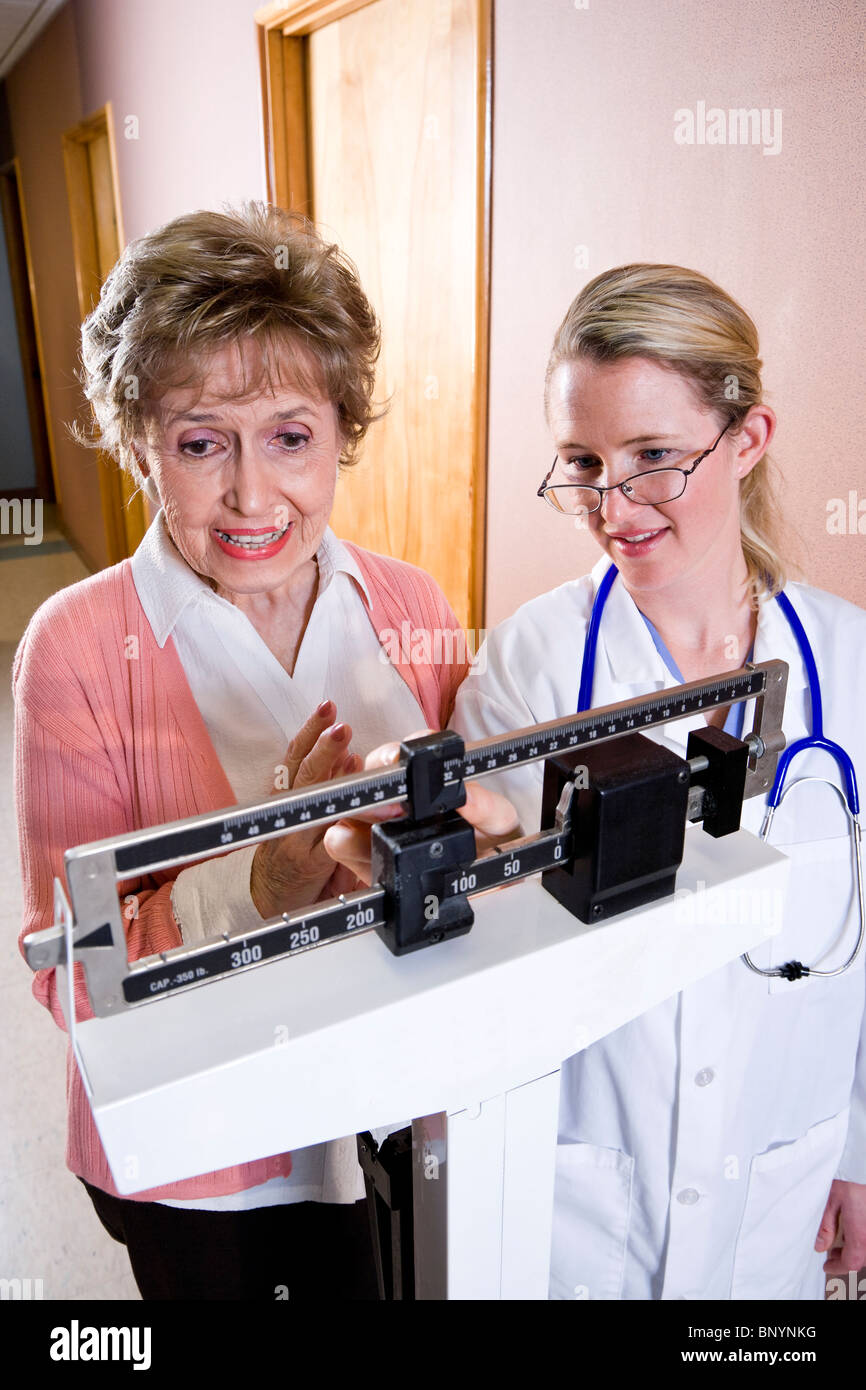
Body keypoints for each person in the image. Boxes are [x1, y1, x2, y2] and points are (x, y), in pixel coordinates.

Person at [326, 263, 866, 1299]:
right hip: (579, 1195)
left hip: (776, 1172)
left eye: (653, 457)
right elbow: (474, 932)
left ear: (747, 438)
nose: (612, 507)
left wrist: (856, 1146)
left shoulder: (849, 664)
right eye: (581, 462)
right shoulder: (532, 663)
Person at [13, 201, 510, 1300]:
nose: (250, 496)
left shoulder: (408, 603)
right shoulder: (77, 646)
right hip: (212, 1162)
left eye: (289, 435)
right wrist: (263, 881)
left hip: (391, 1106)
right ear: (138, 441)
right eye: (200, 443)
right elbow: (72, 982)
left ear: (342, 430)